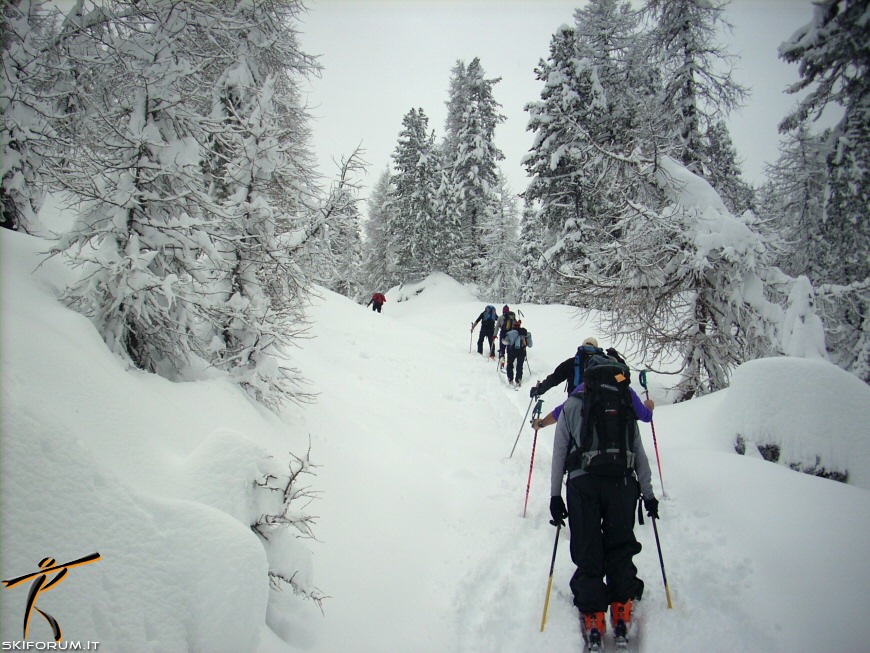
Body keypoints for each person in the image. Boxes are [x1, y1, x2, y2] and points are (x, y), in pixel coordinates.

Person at [546, 359, 659, 649]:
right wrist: (648, 494)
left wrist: (555, 496)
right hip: (622, 483)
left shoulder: (572, 404)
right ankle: (621, 608)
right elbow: (639, 453)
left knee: (588, 546)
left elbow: (559, 453)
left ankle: (594, 614)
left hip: (582, 484)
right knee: (620, 544)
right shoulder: (622, 402)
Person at [529, 336, 602, 399]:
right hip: (596, 405)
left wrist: (539, 389)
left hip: (574, 401)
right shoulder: (602, 364)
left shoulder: (572, 362)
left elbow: (555, 378)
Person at [501, 319, 532, 387]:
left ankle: (510, 379)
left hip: (511, 351)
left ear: (513, 326)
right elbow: (530, 345)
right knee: (519, 366)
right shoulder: (524, 333)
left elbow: (505, 342)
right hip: (521, 351)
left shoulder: (510, 333)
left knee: (510, 364)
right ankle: (518, 380)